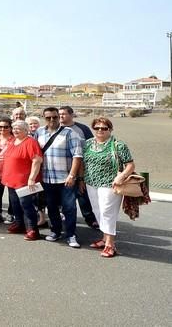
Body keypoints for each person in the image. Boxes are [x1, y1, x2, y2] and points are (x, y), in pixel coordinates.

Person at [82, 117, 135, 258]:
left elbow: (130, 165)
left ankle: (110, 244)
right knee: (97, 211)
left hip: (110, 184)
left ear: (110, 129)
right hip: (91, 182)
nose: (100, 130)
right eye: (97, 128)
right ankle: (104, 238)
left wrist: (121, 176)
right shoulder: (87, 144)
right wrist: (81, 179)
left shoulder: (118, 145)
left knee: (107, 212)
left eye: (104, 128)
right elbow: (83, 163)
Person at [36, 107, 83, 248]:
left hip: (65, 178)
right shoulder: (39, 132)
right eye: (48, 117)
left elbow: (77, 156)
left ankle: (71, 235)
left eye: (54, 117)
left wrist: (73, 175)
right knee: (52, 207)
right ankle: (55, 231)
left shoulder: (70, 133)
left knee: (69, 208)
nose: (52, 120)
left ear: (59, 117)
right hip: (47, 178)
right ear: (44, 118)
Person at [1, 120, 44, 241]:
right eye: (14, 128)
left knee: (26, 205)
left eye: (18, 128)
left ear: (26, 130)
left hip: (24, 181)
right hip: (11, 179)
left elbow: (37, 160)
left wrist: (32, 178)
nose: (15, 130)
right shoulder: (13, 141)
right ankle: (19, 224)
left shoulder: (31, 142)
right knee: (15, 204)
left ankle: (33, 229)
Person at [59, 106, 99, 229]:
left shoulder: (82, 129)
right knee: (63, 195)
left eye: (63, 114)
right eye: (59, 114)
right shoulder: (56, 129)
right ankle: (63, 215)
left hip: (82, 167)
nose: (61, 116)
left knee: (83, 194)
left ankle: (90, 218)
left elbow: (93, 144)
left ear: (72, 115)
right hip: (62, 168)